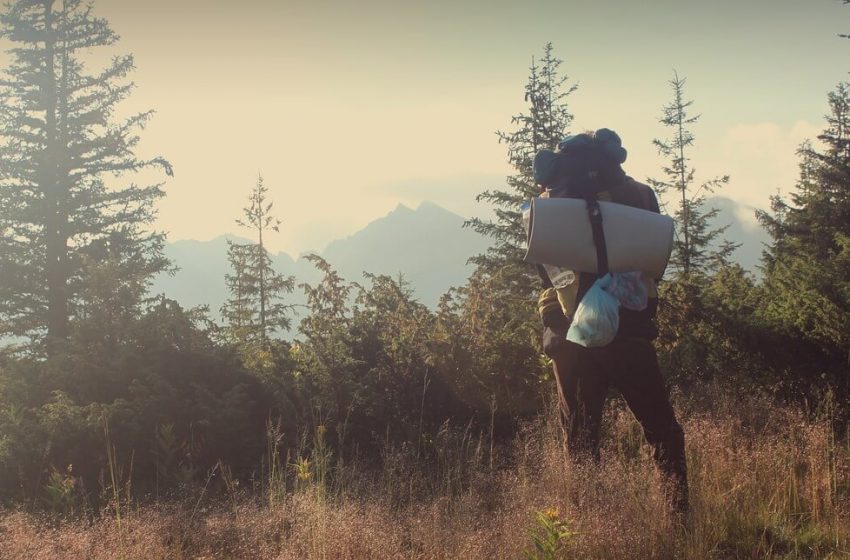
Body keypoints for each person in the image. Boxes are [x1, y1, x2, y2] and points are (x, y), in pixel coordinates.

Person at [533, 128, 688, 513]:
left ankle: (586, 528)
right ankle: (679, 520)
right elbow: (657, 260)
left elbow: (542, 270)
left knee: (581, 439)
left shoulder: (548, 204)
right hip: (629, 330)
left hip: (570, 336)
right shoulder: (639, 195)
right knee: (661, 430)